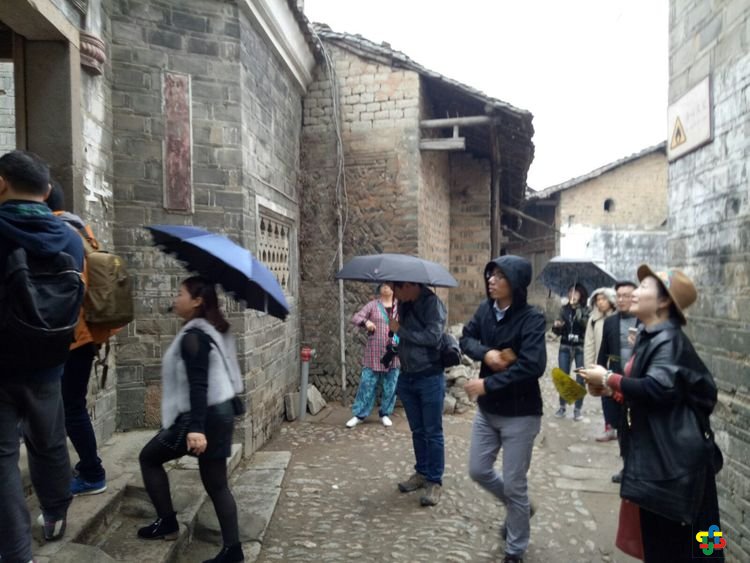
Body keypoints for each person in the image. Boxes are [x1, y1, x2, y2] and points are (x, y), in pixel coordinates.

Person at [581, 266, 723, 563]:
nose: (634, 292)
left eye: (644, 287)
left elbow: (659, 388)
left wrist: (609, 378)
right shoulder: (651, 336)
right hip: (661, 460)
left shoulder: (669, 339)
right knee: (671, 544)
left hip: (675, 467)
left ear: (663, 301)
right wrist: (611, 391)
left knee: (695, 546)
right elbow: (655, 395)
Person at [0, 151, 84, 561]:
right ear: (48, 190)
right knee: (49, 441)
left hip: (2, 363)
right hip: (50, 359)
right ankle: (55, 515)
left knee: (2, 457)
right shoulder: (71, 238)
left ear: (2, 184)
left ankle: (16, 552)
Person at [137, 277, 244, 563]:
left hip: (201, 417)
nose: (176, 298)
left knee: (148, 458)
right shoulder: (212, 329)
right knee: (217, 485)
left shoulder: (194, 337)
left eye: (180, 293)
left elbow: (199, 385)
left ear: (197, 301)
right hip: (219, 413)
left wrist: (195, 429)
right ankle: (233, 550)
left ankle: (167, 522)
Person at [460, 256, 546, 563]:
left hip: (521, 415)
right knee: (478, 470)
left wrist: (488, 384)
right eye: (490, 274)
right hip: (488, 411)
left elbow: (533, 365)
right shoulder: (485, 310)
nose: (491, 280)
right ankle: (519, 507)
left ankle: (515, 548)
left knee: (514, 484)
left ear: (516, 283)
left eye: (499, 275)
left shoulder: (532, 319)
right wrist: (487, 353)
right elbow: (466, 338)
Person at [46, 182, 111, 496]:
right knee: (72, 405)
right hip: (87, 333)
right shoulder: (81, 229)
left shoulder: (57, 232)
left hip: (71, 336)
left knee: (71, 407)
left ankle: (92, 472)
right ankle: (89, 469)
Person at [390, 281, 446, 507]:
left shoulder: (432, 304)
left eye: (396, 289)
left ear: (409, 285)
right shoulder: (404, 304)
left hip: (429, 376)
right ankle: (421, 472)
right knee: (417, 430)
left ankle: (434, 480)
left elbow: (433, 337)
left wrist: (400, 330)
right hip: (407, 375)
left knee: (433, 432)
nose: (394, 294)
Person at [596, 281, 637, 474]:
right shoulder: (611, 322)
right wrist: (598, 374)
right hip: (616, 379)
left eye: (626, 296)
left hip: (638, 381)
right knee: (621, 425)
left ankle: (635, 466)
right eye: (619, 296)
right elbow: (604, 351)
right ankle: (626, 466)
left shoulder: (643, 321)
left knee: (637, 426)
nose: (621, 299)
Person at [346, 283, 400, 428]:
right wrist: (366, 321)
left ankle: (385, 413)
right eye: (383, 285)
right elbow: (356, 317)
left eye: (389, 285)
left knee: (391, 385)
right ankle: (359, 415)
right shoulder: (373, 305)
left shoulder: (400, 307)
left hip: (393, 353)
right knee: (367, 383)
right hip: (374, 353)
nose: (386, 287)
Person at [582, 287, 617, 441]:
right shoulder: (594, 320)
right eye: (598, 300)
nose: (600, 302)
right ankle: (609, 428)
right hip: (601, 365)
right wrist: (589, 368)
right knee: (605, 396)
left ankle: (623, 427)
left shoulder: (619, 318)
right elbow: (589, 344)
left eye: (603, 299)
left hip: (618, 363)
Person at [551, 284, 589, 421]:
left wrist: (578, 310)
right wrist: (556, 326)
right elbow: (557, 331)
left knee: (580, 379)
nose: (572, 294)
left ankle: (577, 410)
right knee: (563, 377)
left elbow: (587, 326)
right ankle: (562, 407)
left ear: (581, 295)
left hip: (580, 348)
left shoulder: (586, 310)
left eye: (575, 292)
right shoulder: (563, 309)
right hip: (565, 346)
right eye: (570, 291)